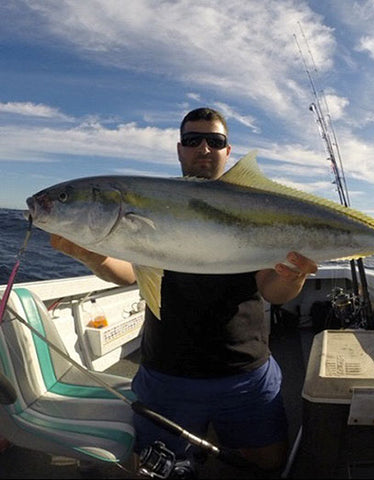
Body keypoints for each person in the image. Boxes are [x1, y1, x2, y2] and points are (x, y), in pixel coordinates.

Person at [51, 107, 317, 472]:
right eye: (193, 141)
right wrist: (93, 258)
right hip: (166, 373)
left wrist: (294, 276)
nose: (203, 149)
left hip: (244, 370)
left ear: (228, 151)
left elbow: (273, 292)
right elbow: (133, 273)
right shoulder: (156, 206)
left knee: (269, 464)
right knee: (150, 467)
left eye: (215, 141)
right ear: (179, 150)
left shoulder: (252, 208)